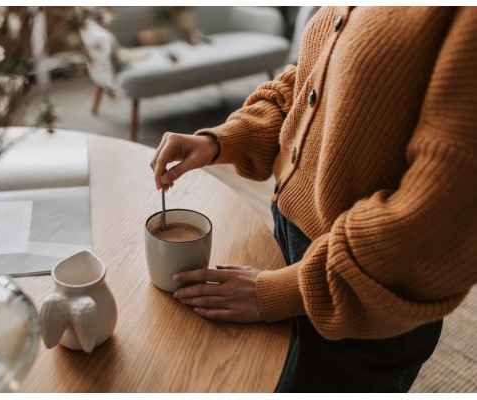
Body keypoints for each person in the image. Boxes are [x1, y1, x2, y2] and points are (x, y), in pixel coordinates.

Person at [150, 7, 477, 393]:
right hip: (288, 243)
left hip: (362, 295)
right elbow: (308, 80)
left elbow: (438, 221)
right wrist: (224, 139)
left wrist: (281, 293)